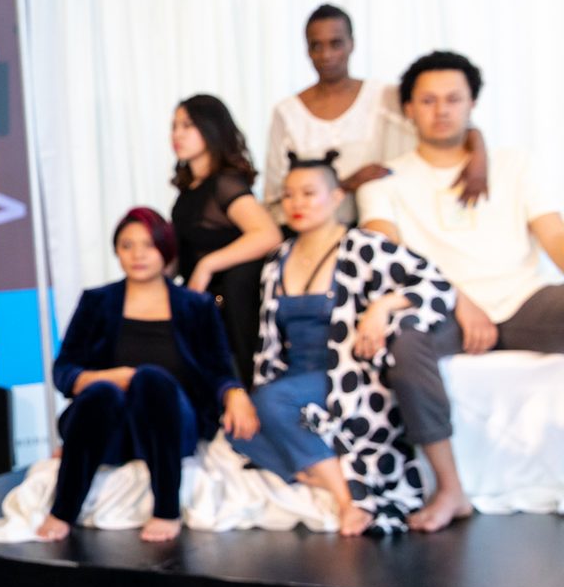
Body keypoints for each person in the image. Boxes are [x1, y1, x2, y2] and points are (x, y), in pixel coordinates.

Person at [360, 50, 564, 533]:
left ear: (472, 103)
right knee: (405, 343)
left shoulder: (514, 164)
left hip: (522, 300)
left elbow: (553, 236)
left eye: (453, 98)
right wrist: (457, 298)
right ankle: (451, 490)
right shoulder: (384, 179)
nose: (442, 109)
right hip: (440, 308)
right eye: (428, 100)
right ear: (408, 108)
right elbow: (390, 259)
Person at [232, 155, 455, 536]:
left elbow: (435, 284)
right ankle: (325, 465)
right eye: (288, 196)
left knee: (272, 403)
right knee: (240, 428)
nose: (297, 204)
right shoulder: (276, 262)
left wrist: (383, 307)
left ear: (336, 197)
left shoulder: (363, 247)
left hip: (343, 378)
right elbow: (270, 346)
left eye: (308, 193)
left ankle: (345, 498)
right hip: (293, 379)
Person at [36, 208, 258, 544]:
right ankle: (62, 510)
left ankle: (166, 509)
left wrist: (234, 392)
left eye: (148, 245)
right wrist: (112, 376)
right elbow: (64, 370)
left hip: (171, 426)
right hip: (111, 425)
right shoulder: (97, 302)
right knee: (103, 392)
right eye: (127, 245)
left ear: (166, 250)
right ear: (117, 251)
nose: (138, 254)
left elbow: (218, 370)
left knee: (151, 380)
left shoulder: (195, 305)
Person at [263, 4, 487, 226]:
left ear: (352, 44)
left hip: (394, 217)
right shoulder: (287, 112)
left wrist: (479, 162)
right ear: (306, 50)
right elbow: (276, 197)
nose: (326, 55)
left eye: (336, 43)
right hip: (317, 231)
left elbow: (452, 126)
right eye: (316, 46)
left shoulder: (386, 96)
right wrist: (347, 184)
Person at [170, 94, 284, 387]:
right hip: (204, 301)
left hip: (232, 306)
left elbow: (269, 235)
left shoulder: (224, 184)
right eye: (174, 126)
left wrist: (207, 265)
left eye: (187, 125)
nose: (177, 134)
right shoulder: (188, 192)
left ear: (210, 129)